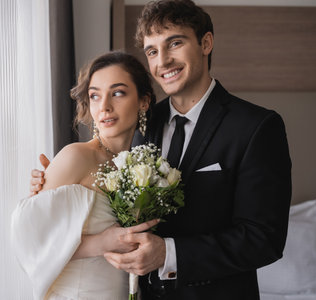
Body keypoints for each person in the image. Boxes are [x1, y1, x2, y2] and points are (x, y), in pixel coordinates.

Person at [32, 1, 292, 299]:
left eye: (175, 43)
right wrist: (54, 185)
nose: (163, 61)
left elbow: (264, 239)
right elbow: (101, 190)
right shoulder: (139, 123)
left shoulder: (256, 126)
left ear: (206, 42)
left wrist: (168, 254)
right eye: (152, 51)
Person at [11, 51, 160, 300]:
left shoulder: (137, 167)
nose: (104, 107)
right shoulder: (76, 156)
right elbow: (29, 237)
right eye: (95, 96)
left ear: (143, 101)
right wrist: (102, 242)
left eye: (118, 93)